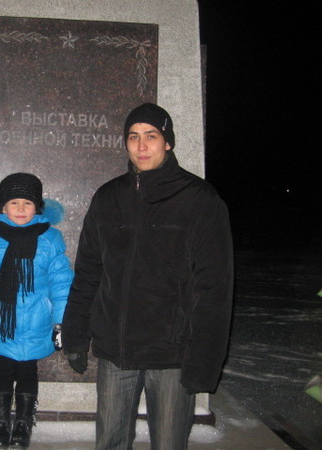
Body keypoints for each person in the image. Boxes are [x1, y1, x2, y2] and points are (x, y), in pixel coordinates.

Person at [62, 103, 234, 450]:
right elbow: (89, 272)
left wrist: (203, 360)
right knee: (109, 442)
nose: (141, 146)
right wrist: (75, 333)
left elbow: (214, 287)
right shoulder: (108, 197)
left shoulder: (200, 200)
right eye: (133, 137)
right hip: (117, 350)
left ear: (167, 142)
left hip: (171, 353)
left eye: (151, 136)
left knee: (168, 443)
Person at [0, 173, 73, 448]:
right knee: (2, 370)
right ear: (2, 207)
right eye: (13, 202)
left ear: (37, 207)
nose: (20, 208)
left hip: (37, 321)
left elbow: (61, 285)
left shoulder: (50, 239)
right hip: (2, 321)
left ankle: (23, 424)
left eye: (27, 203)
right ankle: (1, 424)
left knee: (28, 371)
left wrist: (60, 323)